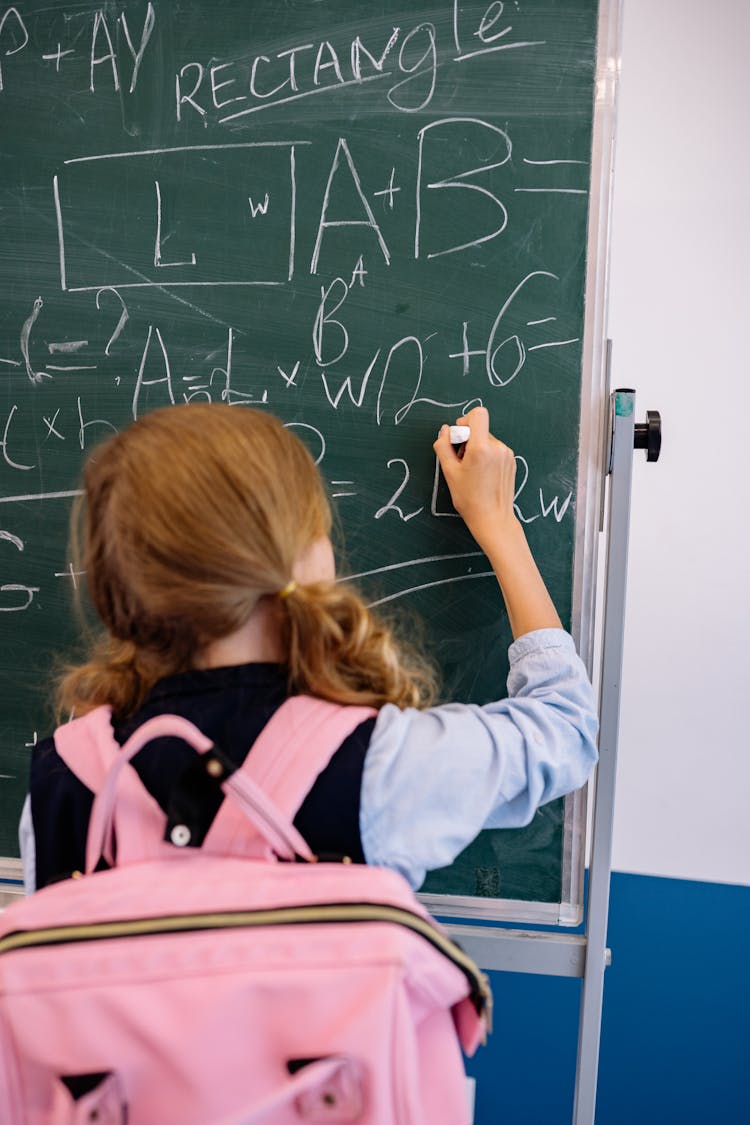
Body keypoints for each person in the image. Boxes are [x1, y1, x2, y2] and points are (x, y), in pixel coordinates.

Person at [20, 403, 598, 894]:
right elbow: (565, 729)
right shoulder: (381, 767)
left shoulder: (65, 777)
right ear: (301, 557)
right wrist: (499, 525)